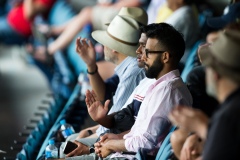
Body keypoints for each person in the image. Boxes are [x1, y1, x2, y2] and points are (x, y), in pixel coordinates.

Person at [57, 22, 193, 160]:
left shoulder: (167, 91)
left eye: (147, 51)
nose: (141, 54)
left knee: (58, 154)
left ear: (165, 57)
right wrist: (116, 138)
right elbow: (139, 130)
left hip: (127, 156)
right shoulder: (158, 84)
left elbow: (145, 142)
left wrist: (111, 145)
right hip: (122, 152)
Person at [59, 12, 146, 157]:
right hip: (108, 137)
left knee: (59, 151)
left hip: (112, 144)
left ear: (114, 48)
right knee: (64, 145)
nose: (101, 45)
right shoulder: (127, 67)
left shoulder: (134, 72)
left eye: (105, 40)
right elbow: (102, 96)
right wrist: (91, 65)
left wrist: (91, 134)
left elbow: (116, 125)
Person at [169, 30, 240, 160]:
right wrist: (204, 127)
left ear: (215, 74)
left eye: (206, 67)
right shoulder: (231, 107)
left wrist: (201, 126)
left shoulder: (228, 116)